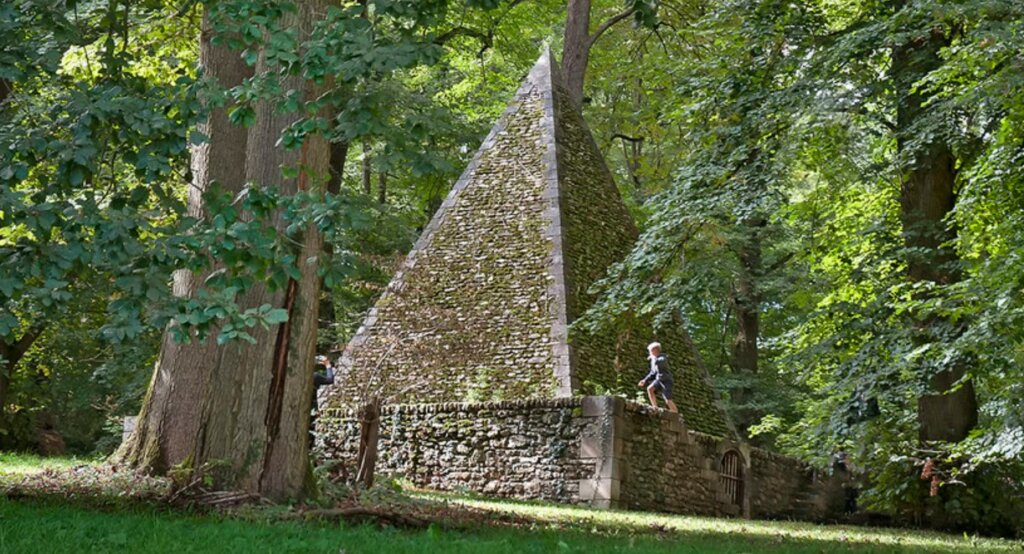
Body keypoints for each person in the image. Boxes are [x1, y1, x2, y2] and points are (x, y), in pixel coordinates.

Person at [638, 342, 679, 413]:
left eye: (650, 351)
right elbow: (653, 372)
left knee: (667, 399)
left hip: (666, 380)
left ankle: (675, 412)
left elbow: (662, 362)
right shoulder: (653, 359)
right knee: (650, 389)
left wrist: (655, 359)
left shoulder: (662, 358)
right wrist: (645, 380)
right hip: (659, 379)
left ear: (655, 350)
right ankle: (655, 407)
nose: (649, 353)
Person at [309, 355, 336, 446]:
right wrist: (328, 365)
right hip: (311, 406)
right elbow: (330, 379)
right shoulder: (315, 376)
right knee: (311, 429)